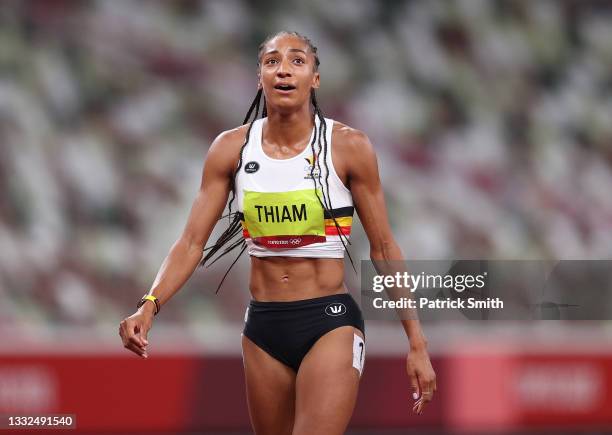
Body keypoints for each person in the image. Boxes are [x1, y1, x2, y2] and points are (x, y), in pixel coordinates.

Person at [119, 31, 436, 435]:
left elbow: (384, 246)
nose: (283, 69)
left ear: (315, 79)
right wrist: (149, 304)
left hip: (329, 321)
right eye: (272, 61)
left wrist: (417, 342)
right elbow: (191, 242)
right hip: (263, 327)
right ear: (259, 77)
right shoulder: (231, 149)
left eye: (297, 61)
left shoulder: (348, 147)